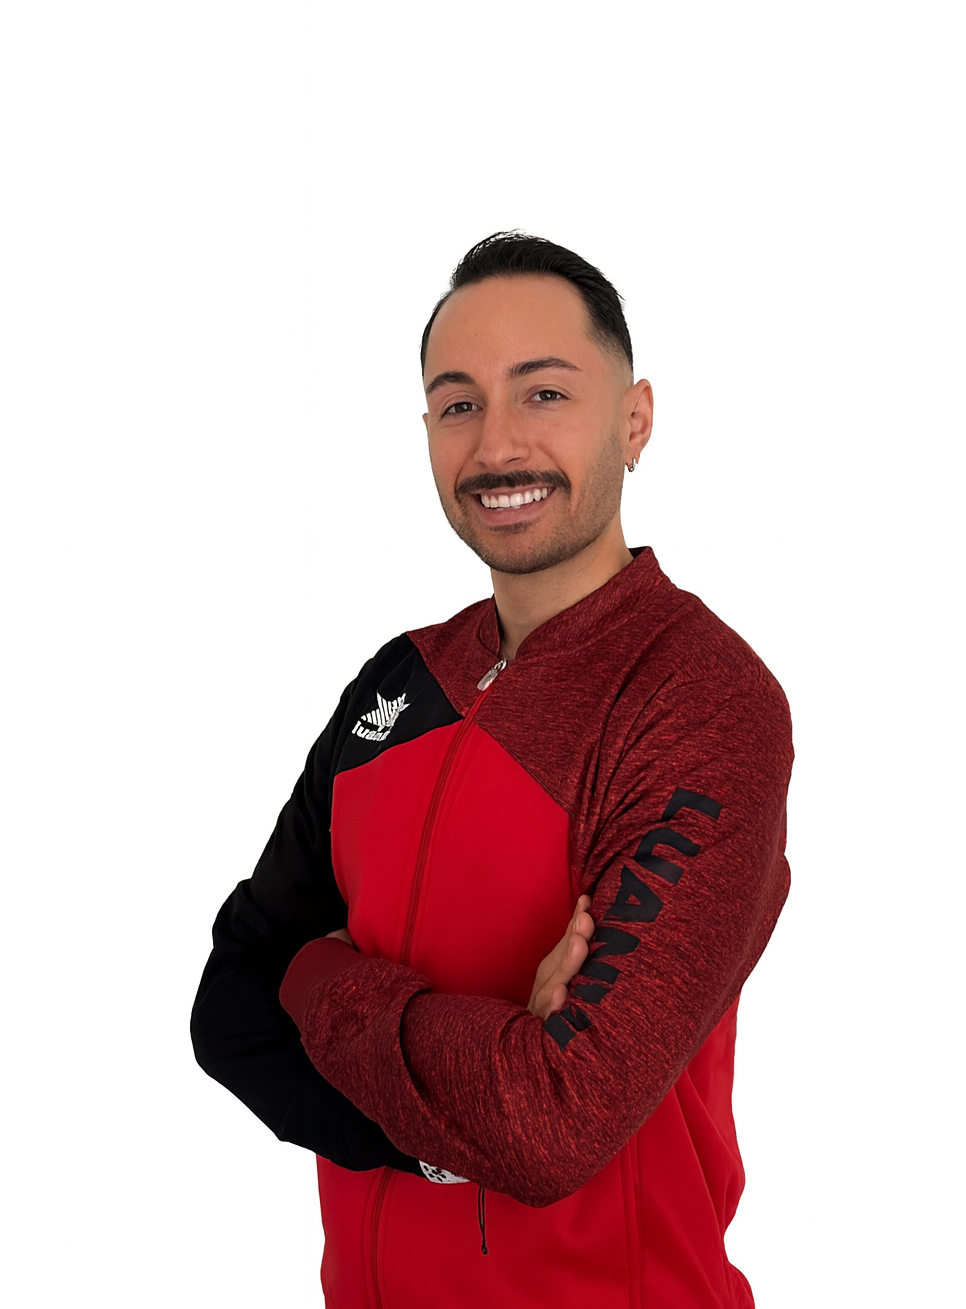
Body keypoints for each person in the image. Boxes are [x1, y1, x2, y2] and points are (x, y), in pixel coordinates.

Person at [191, 232, 793, 1308]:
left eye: (544, 392)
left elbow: (552, 1122)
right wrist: (451, 1124)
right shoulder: (397, 682)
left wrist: (319, 979)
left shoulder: (699, 700)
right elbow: (228, 1009)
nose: (497, 444)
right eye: (457, 403)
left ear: (635, 420)